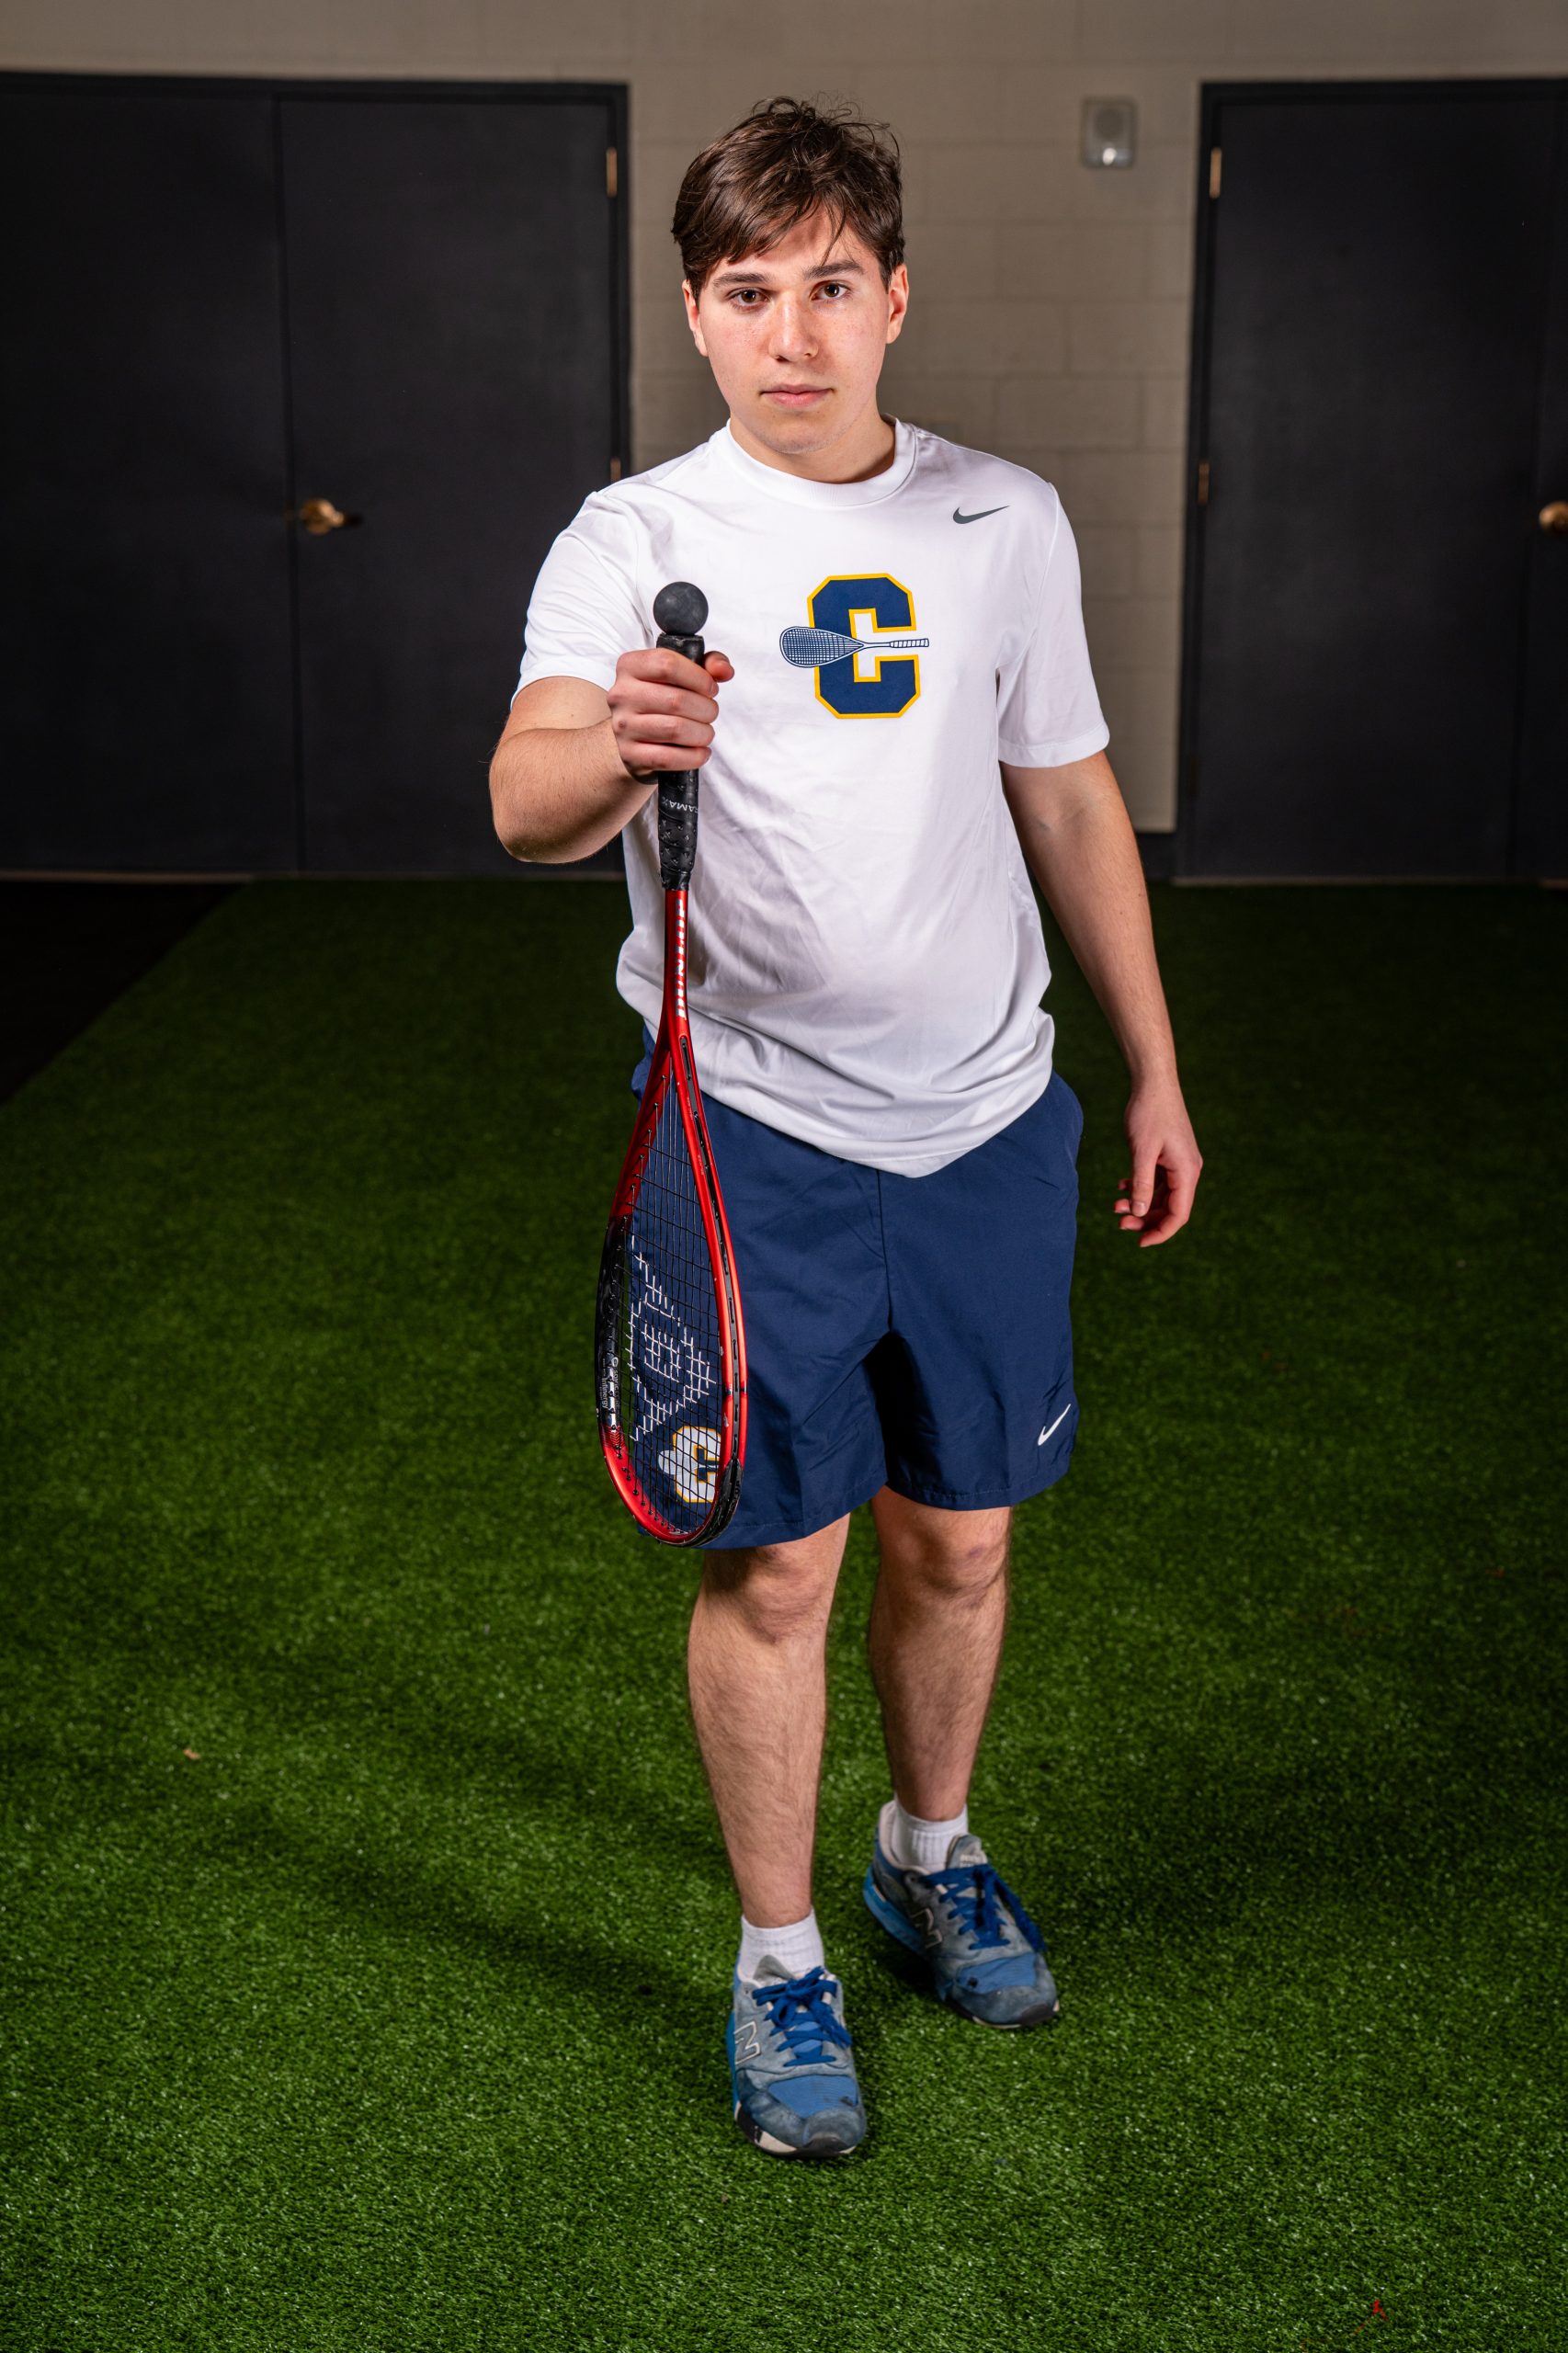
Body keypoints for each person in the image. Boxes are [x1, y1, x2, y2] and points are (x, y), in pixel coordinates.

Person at [490, 96, 1202, 2160]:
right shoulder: (633, 541)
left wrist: (1151, 1064)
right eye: (746, 293)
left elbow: (1065, 790)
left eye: (828, 286)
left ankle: (925, 1851)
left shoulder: (1004, 519)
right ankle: (780, 1955)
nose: (790, 334)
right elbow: (525, 802)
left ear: (894, 295)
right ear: (693, 315)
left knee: (961, 1534)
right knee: (779, 1565)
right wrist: (617, 750)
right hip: (752, 1135)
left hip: (986, 1118)